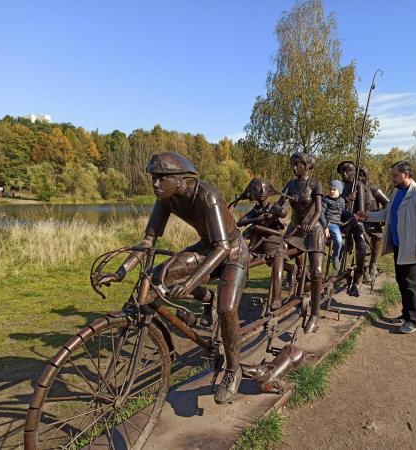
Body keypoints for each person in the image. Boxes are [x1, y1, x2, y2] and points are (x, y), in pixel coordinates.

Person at [94, 152, 249, 404]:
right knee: (155, 277)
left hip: (232, 250)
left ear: (179, 178)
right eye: (153, 178)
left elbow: (222, 248)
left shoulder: (206, 194)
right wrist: (120, 272)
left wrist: (190, 284)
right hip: (206, 248)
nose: (155, 184)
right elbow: (148, 242)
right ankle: (205, 299)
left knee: (227, 309)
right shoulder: (165, 198)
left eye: (161, 178)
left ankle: (233, 369)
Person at [356, 161, 416, 334]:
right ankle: (406, 314)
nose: (392, 178)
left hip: (415, 250)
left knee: (411, 284)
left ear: (406, 174)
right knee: (402, 281)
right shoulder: (397, 192)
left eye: (395, 175)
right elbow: (386, 214)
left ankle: (414, 320)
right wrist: (367, 215)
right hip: (400, 247)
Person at [277, 152, 325, 333]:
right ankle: (294, 272)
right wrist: (272, 210)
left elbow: (319, 210)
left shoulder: (315, 184)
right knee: (275, 252)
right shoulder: (290, 184)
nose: (293, 168)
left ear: (305, 166)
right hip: (295, 229)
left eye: (296, 164)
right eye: (292, 164)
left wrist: (310, 225)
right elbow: (279, 203)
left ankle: (315, 314)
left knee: (317, 272)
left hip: (313, 230)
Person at [235, 178, 289, 310]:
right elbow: (240, 222)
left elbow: (283, 213)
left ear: (270, 191)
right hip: (258, 245)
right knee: (241, 262)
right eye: (257, 190)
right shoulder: (256, 210)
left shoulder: (272, 206)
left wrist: (279, 211)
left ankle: (277, 298)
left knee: (277, 263)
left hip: (274, 243)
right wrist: (256, 219)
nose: (261, 192)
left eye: (264, 189)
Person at [337, 160, 367, 297]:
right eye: (343, 170)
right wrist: (345, 200)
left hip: (355, 221)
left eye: (348, 170)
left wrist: (353, 218)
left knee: (361, 245)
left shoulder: (358, 186)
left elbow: (360, 211)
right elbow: (333, 204)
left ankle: (358, 279)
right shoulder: (338, 186)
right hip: (339, 220)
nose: (345, 173)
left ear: (354, 172)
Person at [358, 167, 389, 281]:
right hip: (359, 222)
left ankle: (373, 263)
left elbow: (387, 203)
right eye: (357, 175)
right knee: (362, 242)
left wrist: (381, 216)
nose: (360, 177)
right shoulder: (354, 189)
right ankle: (363, 265)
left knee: (377, 236)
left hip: (373, 220)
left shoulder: (374, 189)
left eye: (362, 175)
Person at [320, 180, 346, 270]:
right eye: (330, 189)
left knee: (340, 241)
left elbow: (343, 213)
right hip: (328, 223)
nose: (331, 191)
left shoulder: (342, 201)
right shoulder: (326, 200)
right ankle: (333, 257)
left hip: (337, 225)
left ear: (340, 191)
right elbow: (321, 213)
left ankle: (335, 256)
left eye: (334, 189)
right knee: (337, 241)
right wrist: (325, 226)